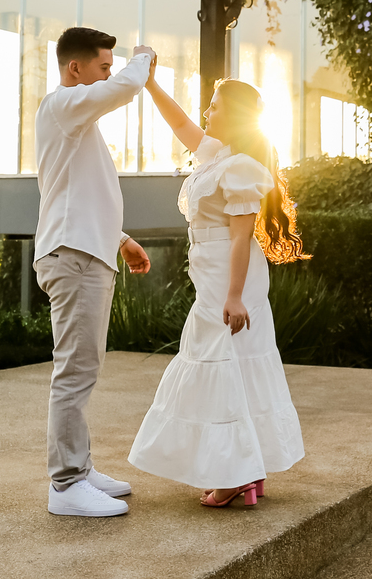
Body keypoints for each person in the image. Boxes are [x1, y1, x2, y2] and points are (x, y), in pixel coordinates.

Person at [128, 70, 307, 508]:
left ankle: (234, 476)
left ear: (235, 116)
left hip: (231, 275)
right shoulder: (215, 155)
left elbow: (242, 238)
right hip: (210, 271)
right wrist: (150, 83)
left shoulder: (241, 167)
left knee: (221, 360)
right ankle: (249, 469)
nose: (206, 112)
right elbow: (179, 122)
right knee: (231, 362)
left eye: (214, 106)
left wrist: (234, 296)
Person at [34, 26, 155, 518]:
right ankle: (65, 485)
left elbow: (78, 192)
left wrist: (120, 239)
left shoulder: (74, 119)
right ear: (75, 68)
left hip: (86, 251)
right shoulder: (62, 104)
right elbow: (125, 87)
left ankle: (79, 471)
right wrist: (143, 58)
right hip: (74, 256)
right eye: (103, 66)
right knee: (75, 370)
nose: (109, 75)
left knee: (83, 368)